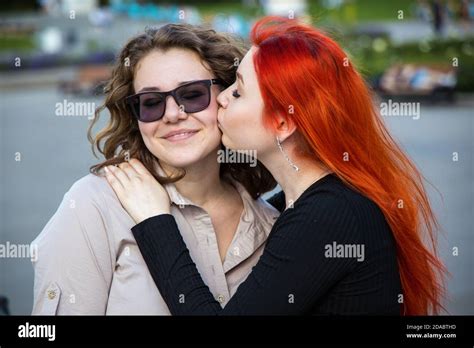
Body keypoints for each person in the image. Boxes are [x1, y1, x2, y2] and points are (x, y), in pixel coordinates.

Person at [106, 17, 446, 315]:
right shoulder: (298, 206)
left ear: (283, 123)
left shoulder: (328, 217)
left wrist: (154, 220)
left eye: (238, 92)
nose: (221, 98)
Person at [30, 23, 279, 315]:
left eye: (192, 94)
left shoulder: (271, 225)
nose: (173, 114)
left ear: (226, 96)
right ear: (136, 117)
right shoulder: (93, 206)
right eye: (151, 102)